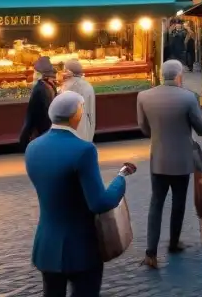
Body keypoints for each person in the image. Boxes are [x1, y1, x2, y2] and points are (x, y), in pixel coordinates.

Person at [26, 91, 135, 297]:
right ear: (76, 114)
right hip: (81, 246)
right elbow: (100, 202)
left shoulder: (32, 147)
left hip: (46, 245)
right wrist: (121, 178)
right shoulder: (84, 150)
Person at [136, 58, 202, 268]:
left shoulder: (144, 96)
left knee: (156, 203)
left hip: (158, 158)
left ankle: (150, 252)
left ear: (162, 74)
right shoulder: (188, 97)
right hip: (181, 160)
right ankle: (173, 243)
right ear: (179, 76)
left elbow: (143, 128)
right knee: (178, 202)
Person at [20, 57, 57, 149]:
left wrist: (24, 137)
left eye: (35, 72)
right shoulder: (51, 86)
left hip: (41, 132)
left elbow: (32, 114)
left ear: (40, 74)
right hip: (49, 130)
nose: (33, 75)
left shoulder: (39, 89)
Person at [61, 59, 96, 142]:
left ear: (69, 72)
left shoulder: (66, 87)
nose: (63, 72)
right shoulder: (88, 86)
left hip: (70, 129)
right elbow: (92, 113)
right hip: (85, 127)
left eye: (65, 70)